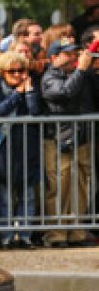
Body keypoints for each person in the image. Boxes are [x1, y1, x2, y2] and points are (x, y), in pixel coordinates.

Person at [41, 38, 94, 248]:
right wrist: (81, 70)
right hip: (59, 140)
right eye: (68, 54)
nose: (74, 57)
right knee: (60, 187)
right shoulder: (49, 77)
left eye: (75, 53)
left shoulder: (80, 75)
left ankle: (77, 231)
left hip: (80, 139)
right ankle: (57, 233)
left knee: (80, 186)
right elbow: (63, 93)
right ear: (54, 57)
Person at [0, 51, 42, 249]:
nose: (18, 75)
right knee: (5, 196)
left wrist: (28, 92)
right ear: (3, 72)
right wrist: (17, 94)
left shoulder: (32, 87)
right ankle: (6, 236)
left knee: (28, 195)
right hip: (4, 149)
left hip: (27, 147)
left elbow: (35, 111)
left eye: (22, 70)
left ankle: (25, 235)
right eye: (13, 71)